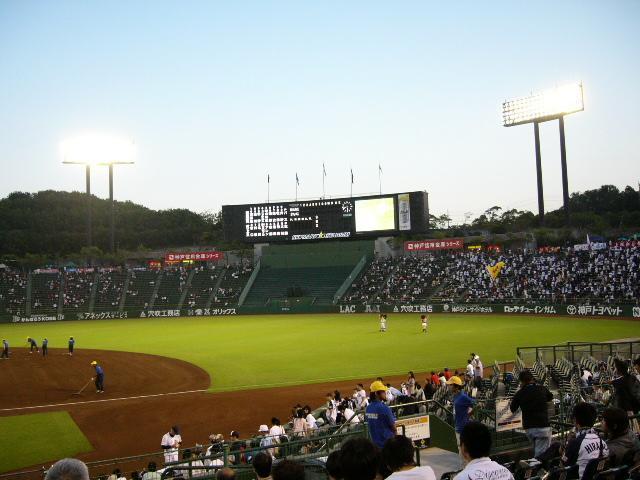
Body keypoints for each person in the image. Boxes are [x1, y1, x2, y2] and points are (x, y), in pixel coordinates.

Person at [509, 369, 554, 457]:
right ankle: (537, 465)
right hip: (543, 427)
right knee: (541, 456)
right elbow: (550, 397)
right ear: (532, 379)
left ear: (521, 382)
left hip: (529, 429)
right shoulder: (541, 388)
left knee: (538, 452)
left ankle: (536, 464)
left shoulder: (520, 393)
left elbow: (512, 408)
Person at [561, 402, 609, 479]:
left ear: (575, 420)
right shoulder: (603, 442)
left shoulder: (575, 443)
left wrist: (568, 442)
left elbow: (562, 466)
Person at [446, 376, 475, 461]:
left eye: (450, 385)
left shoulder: (463, 396)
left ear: (456, 386)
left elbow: (476, 404)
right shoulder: (455, 396)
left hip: (463, 428)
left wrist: (468, 414)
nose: (448, 386)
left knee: (464, 451)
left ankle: (466, 467)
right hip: (458, 426)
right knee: (461, 450)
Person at [365, 380, 396, 448]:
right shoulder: (384, 408)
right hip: (387, 445)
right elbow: (394, 428)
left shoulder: (368, 408)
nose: (385, 393)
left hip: (375, 445)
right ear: (376, 393)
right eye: (383, 391)